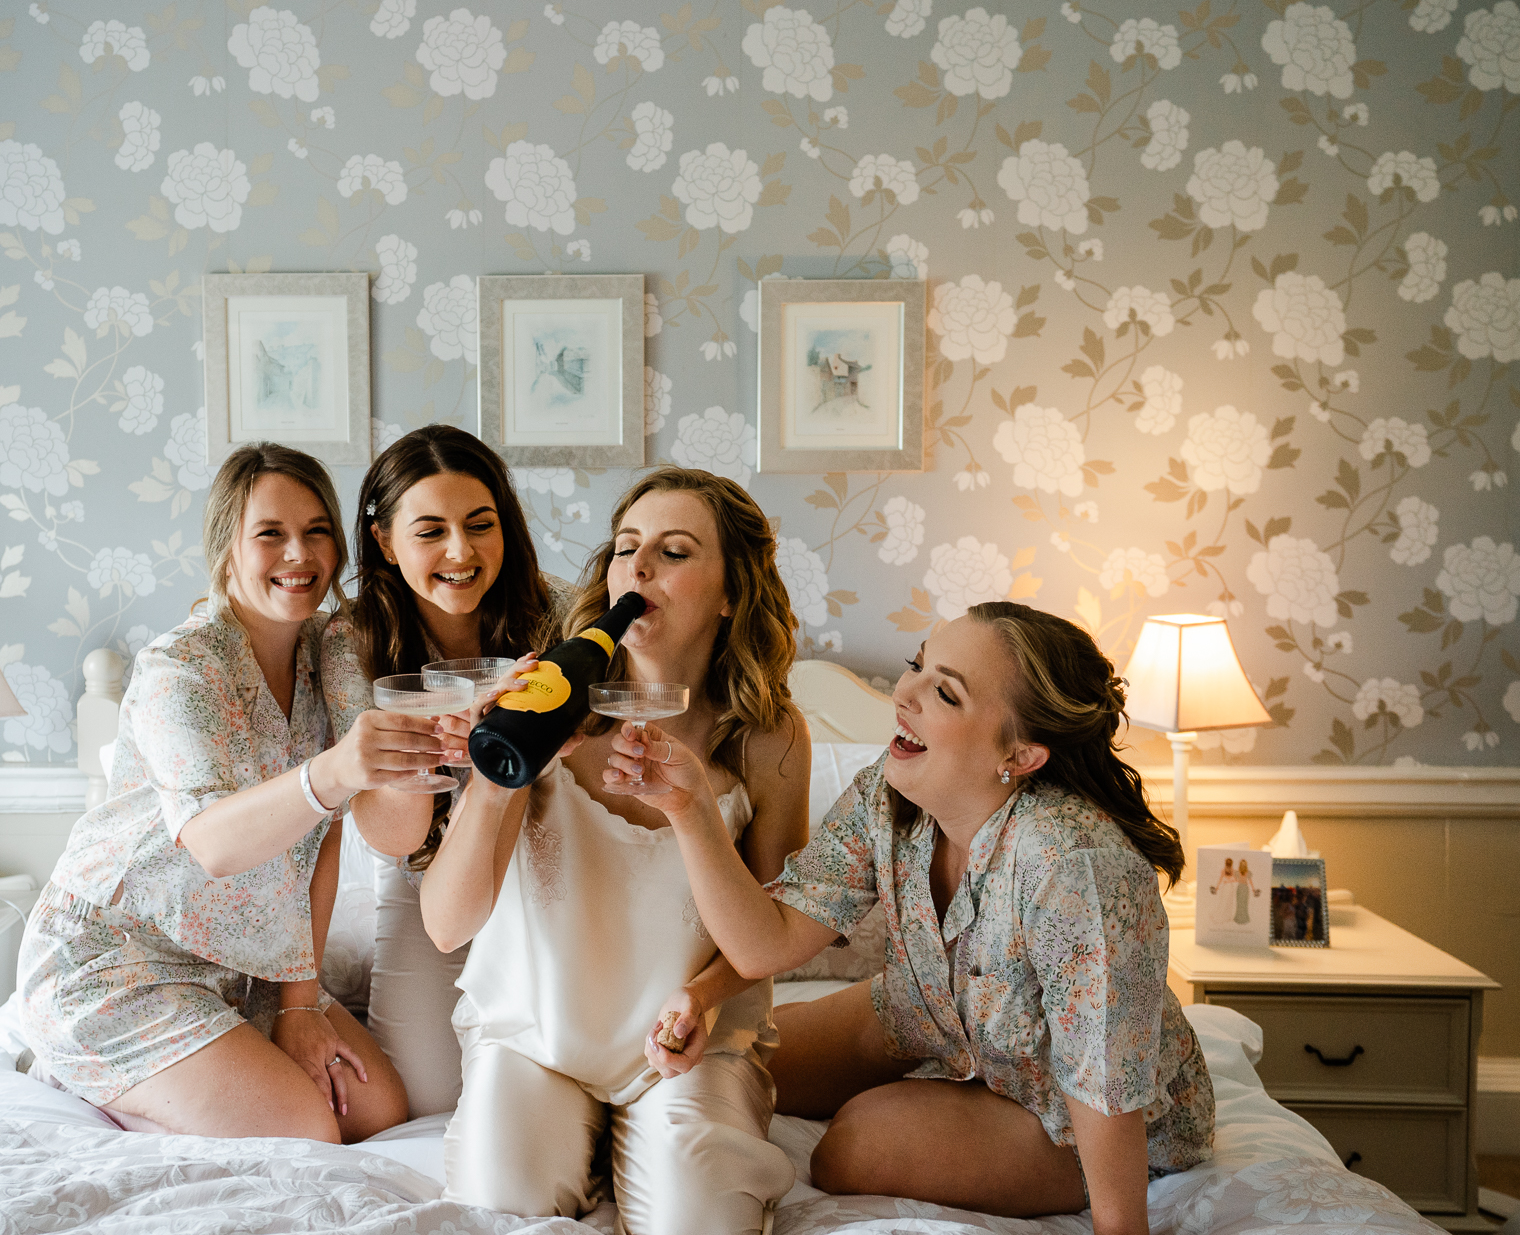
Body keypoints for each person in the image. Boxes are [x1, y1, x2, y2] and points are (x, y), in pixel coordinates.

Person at [644, 602, 1213, 1235]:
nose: (905, 692)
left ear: (1021, 756)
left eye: (944, 692)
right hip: (937, 1017)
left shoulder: (1072, 866)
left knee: (854, 1145)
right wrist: (702, 988)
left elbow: (1103, 1079)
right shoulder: (884, 795)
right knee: (735, 1059)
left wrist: (1120, 1226)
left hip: (1066, 1099)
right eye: (917, 665)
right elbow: (770, 938)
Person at [17, 443, 449, 1142]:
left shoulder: (333, 648)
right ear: (226, 550)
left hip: (249, 966)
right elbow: (214, 843)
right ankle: (79, 1069)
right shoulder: (177, 671)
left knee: (377, 1111)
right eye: (270, 534)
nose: (298, 554)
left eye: (316, 532)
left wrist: (301, 1008)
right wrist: (336, 770)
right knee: (305, 1127)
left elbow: (327, 840)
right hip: (118, 960)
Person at [421, 466, 810, 1235]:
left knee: (698, 1222)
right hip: (537, 1034)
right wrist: (498, 780)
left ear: (731, 591)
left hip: (688, 1042)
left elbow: (778, 930)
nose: (637, 568)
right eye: (626, 548)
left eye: (673, 551)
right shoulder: (546, 703)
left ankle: (625, 1135)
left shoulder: (769, 737)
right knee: (503, 1206)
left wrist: (699, 999)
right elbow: (446, 924)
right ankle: (583, 1138)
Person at [320, 424, 568, 1117]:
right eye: (430, 531)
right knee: (430, 1101)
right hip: (422, 884)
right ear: (383, 541)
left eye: (480, 525)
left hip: (547, 879)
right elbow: (392, 840)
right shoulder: (351, 644)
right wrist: (434, 745)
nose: (461, 552)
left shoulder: (559, 618)